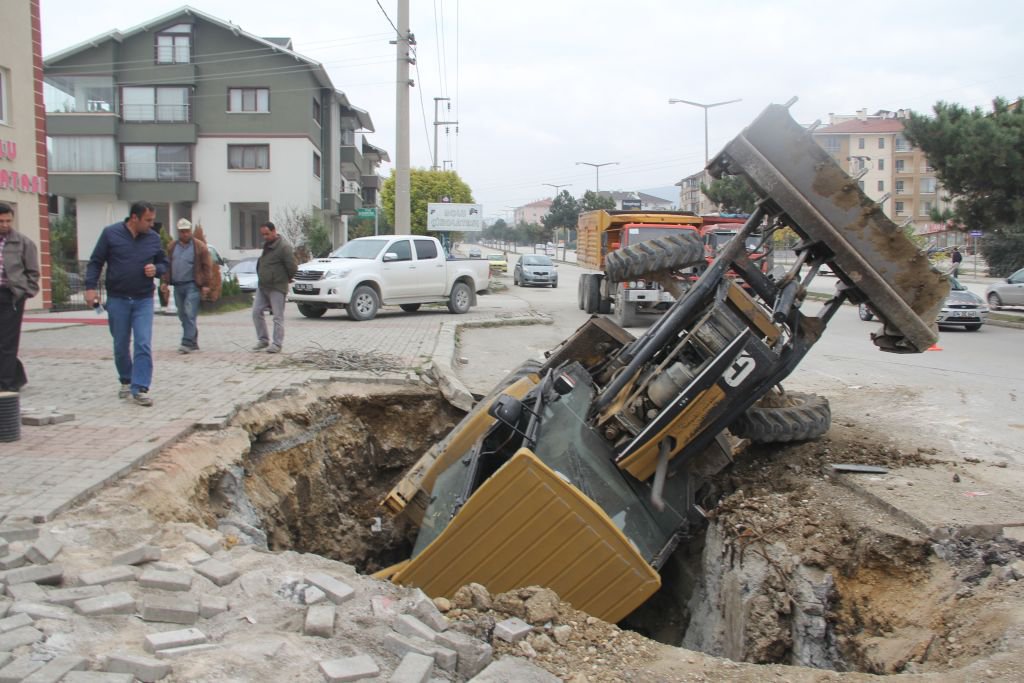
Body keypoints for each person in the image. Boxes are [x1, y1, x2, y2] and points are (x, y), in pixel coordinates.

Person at [85, 201, 168, 406]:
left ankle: (140, 387)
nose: (151, 224)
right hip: (118, 299)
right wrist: (90, 288)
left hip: (143, 299)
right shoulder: (110, 234)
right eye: (147, 220)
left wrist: (156, 269)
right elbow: (96, 261)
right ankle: (126, 379)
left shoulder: (153, 239)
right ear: (134, 218)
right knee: (121, 344)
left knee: (143, 343)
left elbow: (164, 263)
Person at [0, 203, 40, 392]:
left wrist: (26, 292)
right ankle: (16, 375)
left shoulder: (23, 242)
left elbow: (33, 272)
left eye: (8, 220)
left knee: (7, 341)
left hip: (11, 295)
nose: (5, 224)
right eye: (1, 221)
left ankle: (6, 383)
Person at [160, 218, 212, 354]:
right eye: (182, 232)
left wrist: (206, 284)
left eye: (187, 231)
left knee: (190, 313)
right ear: (178, 232)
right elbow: (167, 265)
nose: (185, 234)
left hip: (192, 284)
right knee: (182, 314)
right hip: (178, 285)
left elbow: (207, 266)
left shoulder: (199, 247)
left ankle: (187, 342)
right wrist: (165, 281)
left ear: (190, 231)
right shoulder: (172, 247)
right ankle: (193, 341)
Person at [251, 221, 297, 354]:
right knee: (256, 312)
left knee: (278, 316)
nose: (265, 237)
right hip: (263, 285)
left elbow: (292, 267)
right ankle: (263, 339)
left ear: (274, 231)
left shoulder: (284, 247)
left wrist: (284, 279)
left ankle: (277, 343)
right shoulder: (267, 245)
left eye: (267, 234)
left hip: (277, 287)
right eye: (263, 234)